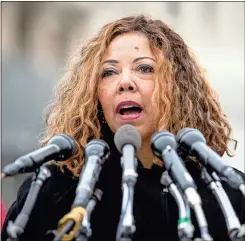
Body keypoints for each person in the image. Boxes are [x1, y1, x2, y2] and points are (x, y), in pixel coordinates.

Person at [2, 15, 245, 241]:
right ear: (95, 93)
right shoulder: (57, 188)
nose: (125, 82)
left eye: (144, 69)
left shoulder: (224, 195)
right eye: (109, 72)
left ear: (178, 87)